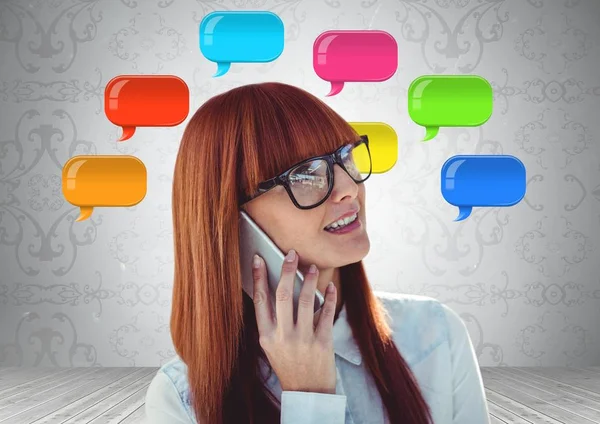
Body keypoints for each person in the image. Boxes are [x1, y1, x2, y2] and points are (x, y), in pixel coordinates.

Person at [144, 82, 490, 424]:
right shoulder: (181, 400)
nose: (348, 189)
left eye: (346, 158)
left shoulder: (436, 333)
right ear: (232, 222)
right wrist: (309, 398)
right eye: (305, 175)